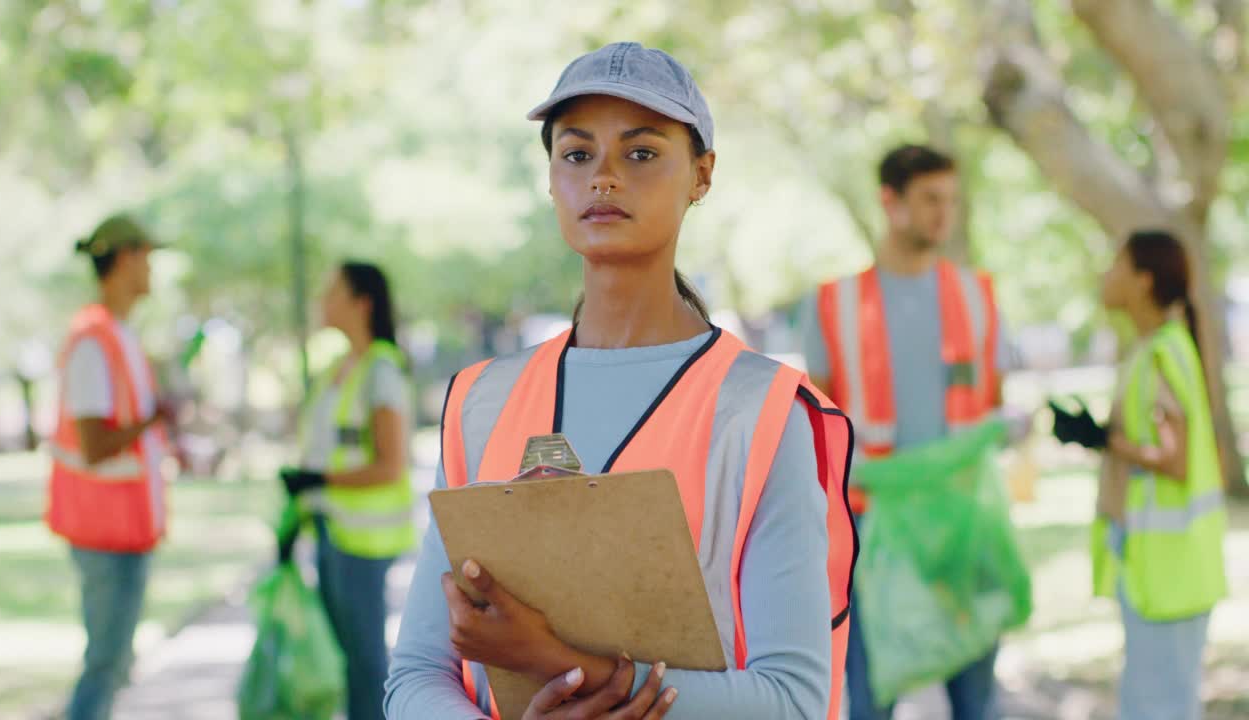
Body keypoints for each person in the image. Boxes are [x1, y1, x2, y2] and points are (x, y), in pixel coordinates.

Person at [385, 42, 857, 720]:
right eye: (577, 154)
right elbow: (415, 676)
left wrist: (553, 662)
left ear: (701, 174)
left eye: (640, 153)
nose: (603, 176)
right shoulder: (479, 403)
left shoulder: (763, 413)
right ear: (550, 180)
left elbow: (793, 703)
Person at [799, 145, 1013, 720]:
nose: (945, 213)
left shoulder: (978, 295)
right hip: (874, 527)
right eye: (931, 200)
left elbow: (992, 402)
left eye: (951, 200)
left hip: (961, 520)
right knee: (871, 698)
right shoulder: (832, 304)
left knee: (976, 700)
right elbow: (816, 426)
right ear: (890, 203)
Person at [1050, 230, 1226, 720]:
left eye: (1117, 266)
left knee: (1158, 707)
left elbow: (1174, 459)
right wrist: (1103, 436)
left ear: (1143, 281)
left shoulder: (1162, 354)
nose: (1106, 275)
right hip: (1161, 566)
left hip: (1168, 570)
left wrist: (1104, 440)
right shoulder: (1155, 348)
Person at [279, 261, 418, 720]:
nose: (322, 299)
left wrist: (320, 480)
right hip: (330, 530)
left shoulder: (381, 370)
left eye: (331, 291)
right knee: (350, 660)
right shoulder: (339, 370)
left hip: (363, 539)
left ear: (362, 303)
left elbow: (390, 464)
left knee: (366, 662)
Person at [47, 214, 171, 720]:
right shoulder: (94, 339)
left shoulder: (118, 335)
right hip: (102, 532)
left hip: (124, 530)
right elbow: (95, 443)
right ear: (124, 259)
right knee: (104, 665)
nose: (151, 269)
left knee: (114, 664)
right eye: (147, 257)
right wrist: (153, 421)